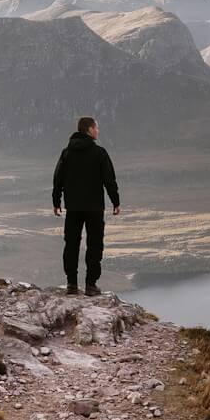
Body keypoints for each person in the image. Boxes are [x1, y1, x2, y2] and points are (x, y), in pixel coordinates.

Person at [51, 115, 120, 295]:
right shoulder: (99, 153)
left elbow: (58, 179)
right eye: (96, 128)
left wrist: (56, 201)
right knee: (95, 245)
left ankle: (71, 285)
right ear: (89, 130)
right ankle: (91, 285)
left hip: (73, 207)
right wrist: (115, 201)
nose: (98, 131)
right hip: (94, 208)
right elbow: (109, 180)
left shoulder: (67, 152)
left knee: (71, 244)